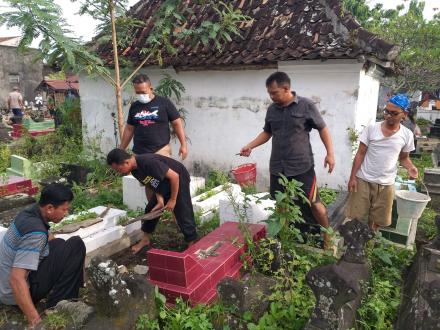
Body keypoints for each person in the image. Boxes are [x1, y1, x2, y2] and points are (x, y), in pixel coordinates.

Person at [239, 72, 335, 246]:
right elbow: (267, 132)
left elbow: (323, 128)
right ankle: (283, 238)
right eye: (269, 93)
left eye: (274, 93)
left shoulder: (306, 105)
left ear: (286, 88)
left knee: (314, 203)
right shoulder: (272, 109)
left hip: (302, 166)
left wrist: (330, 153)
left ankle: (328, 236)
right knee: (281, 203)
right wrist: (250, 146)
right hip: (277, 167)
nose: (271, 96)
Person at [0, 184, 86, 329]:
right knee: (76, 245)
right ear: (50, 208)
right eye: (64, 209)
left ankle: (67, 292)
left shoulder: (29, 212)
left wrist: (63, 256)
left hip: (3, 285)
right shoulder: (36, 234)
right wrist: (35, 320)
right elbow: (16, 279)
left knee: (59, 243)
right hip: (13, 293)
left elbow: (49, 238)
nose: (66, 213)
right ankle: (60, 305)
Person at [346, 94, 418, 231]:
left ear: (404, 114)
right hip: (363, 179)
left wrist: (411, 167)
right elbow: (360, 153)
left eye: (394, 113)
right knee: (355, 216)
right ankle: (352, 243)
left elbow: (404, 158)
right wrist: (352, 178)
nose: (388, 116)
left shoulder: (407, 135)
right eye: (387, 111)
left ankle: (370, 244)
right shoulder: (372, 129)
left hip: (386, 183)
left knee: (378, 221)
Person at [107, 148, 197, 253]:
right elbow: (153, 183)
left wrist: (172, 200)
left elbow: (174, 177)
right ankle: (145, 239)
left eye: (118, 169)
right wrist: (160, 200)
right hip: (165, 182)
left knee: (182, 211)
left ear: (126, 162)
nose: (119, 172)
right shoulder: (135, 171)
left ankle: (192, 242)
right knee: (151, 210)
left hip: (179, 178)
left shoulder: (148, 162)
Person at [119, 74, 188, 160]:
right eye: (138, 92)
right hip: (139, 152)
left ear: (151, 89)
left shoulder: (164, 103)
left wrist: (183, 145)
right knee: (140, 174)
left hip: (160, 150)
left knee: (160, 173)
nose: (141, 95)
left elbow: (177, 123)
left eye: (143, 92)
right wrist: (121, 149)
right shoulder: (134, 106)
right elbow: (129, 129)